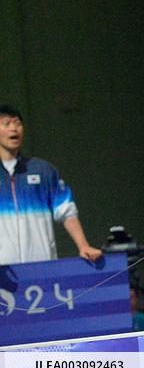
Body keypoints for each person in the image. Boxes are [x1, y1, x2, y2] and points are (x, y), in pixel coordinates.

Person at [0, 105, 103, 265]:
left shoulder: (43, 170)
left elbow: (66, 210)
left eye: (18, 123)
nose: (14, 129)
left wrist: (83, 246)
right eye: (6, 124)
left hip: (43, 268)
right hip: (4, 275)